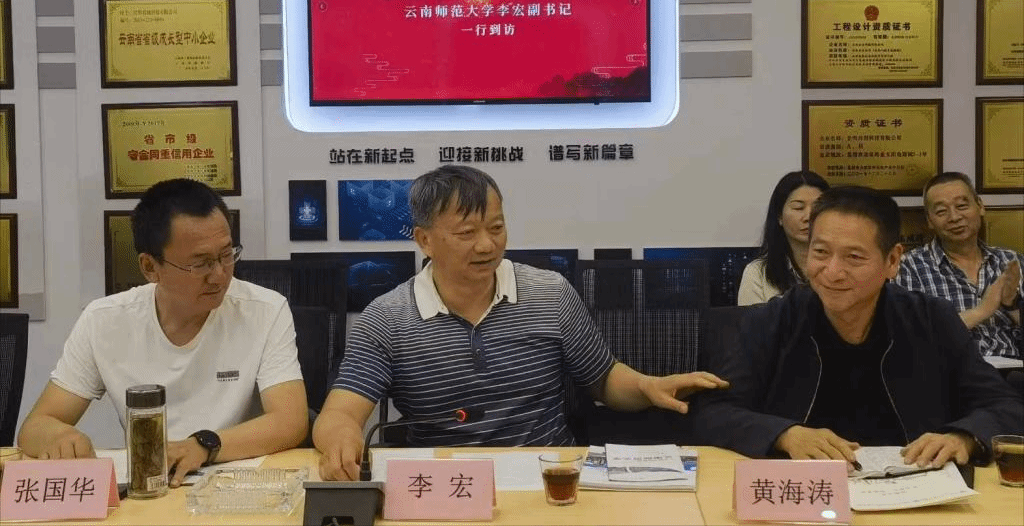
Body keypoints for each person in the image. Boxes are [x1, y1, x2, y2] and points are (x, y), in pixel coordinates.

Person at [314, 165, 728, 480]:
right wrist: (340, 438)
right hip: (442, 482)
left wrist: (645, 386)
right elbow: (339, 413)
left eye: (496, 227)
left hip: (547, 475)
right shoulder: (386, 319)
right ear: (424, 240)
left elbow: (603, 380)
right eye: (467, 233)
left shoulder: (550, 293)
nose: (487, 244)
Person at [697, 186, 1023, 467]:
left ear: (892, 261)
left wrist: (963, 437)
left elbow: (1005, 406)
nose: (832, 271)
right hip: (806, 490)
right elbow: (713, 412)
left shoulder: (931, 319)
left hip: (912, 486)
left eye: (853, 257)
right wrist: (784, 434)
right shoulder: (773, 321)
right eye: (820, 252)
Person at [17, 179, 308, 486]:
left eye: (226, 255)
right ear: (150, 267)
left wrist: (203, 446)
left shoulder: (264, 310)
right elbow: (35, 426)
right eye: (201, 264)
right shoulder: (104, 321)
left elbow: (290, 421)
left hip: (234, 488)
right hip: (149, 488)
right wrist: (59, 436)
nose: (220, 275)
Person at [896, 172, 1022, 359]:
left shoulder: (1011, 261)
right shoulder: (909, 267)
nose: (954, 217)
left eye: (962, 206)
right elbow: (912, 337)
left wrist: (1012, 305)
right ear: (929, 221)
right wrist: (982, 311)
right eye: (941, 211)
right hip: (951, 372)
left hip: (1015, 369)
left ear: (980, 206)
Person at [737, 171, 830, 305]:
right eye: (798, 208)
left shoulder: (841, 267)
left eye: (817, 208)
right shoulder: (757, 273)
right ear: (779, 216)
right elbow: (752, 318)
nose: (809, 217)